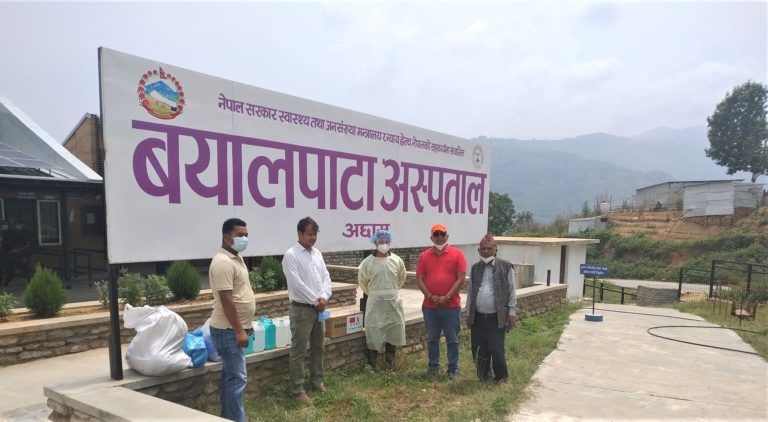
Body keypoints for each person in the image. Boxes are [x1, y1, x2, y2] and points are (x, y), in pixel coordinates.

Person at [208, 218, 255, 422]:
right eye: (240, 235)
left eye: (246, 235)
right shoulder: (223, 262)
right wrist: (238, 330)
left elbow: (239, 292)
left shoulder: (236, 258)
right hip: (227, 330)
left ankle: (227, 417)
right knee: (237, 379)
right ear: (227, 237)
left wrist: (246, 325)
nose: (244, 239)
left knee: (231, 377)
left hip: (233, 328)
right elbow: (226, 299)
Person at [282, 217, 332, 404]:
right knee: (299, 350)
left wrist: (324, 297)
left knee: (318, 347)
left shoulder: (317, 253)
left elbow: (326, 277)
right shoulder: (291, 255)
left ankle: (317, 381)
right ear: (300, 234)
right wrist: (315, 300)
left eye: (315, 234)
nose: (313, 237)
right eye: (309, 234)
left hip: (319, 309)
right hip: (302, 309)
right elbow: (296, 283)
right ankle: (297, 390)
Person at [416, 223, 467, 380]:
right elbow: (420, 279)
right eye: (436, 234)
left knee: (452, 339)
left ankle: (453, 369)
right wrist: (430, 296)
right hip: (430, 306)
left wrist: (447, 297)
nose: (439, 237)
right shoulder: (424, 256)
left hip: (451, 306)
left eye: (442, 234)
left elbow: (461, 278)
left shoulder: (457, 254)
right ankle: (433, 368)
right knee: (432, 339)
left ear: (447, 236)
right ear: (431, 237)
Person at [466, 233, 517, 382]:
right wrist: (468, 313)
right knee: (479, 347)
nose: (486, 251)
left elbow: (512, 290)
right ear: (479, 250)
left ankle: (501, 377)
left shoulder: (506, 266)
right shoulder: (475, 268)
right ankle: (483, 376)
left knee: (496, 349)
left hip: (497, 316)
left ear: (495, 249)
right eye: (483, 248)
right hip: (478, 316)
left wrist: (512, 313)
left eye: (489, 248)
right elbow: (470, 291)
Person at [358, 229, 407, 370]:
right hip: (375, 304)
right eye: (381, 241)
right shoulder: (367, 263)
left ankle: (390, 364)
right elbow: (363, 282)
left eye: (386, 241)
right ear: (375, 243)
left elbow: (401, 278)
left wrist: (390, 292)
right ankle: (373, 366)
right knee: (374, 332)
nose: (384, 244)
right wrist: (376, 294)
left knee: (393, 331)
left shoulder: (397, 261)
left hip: (393, 303)